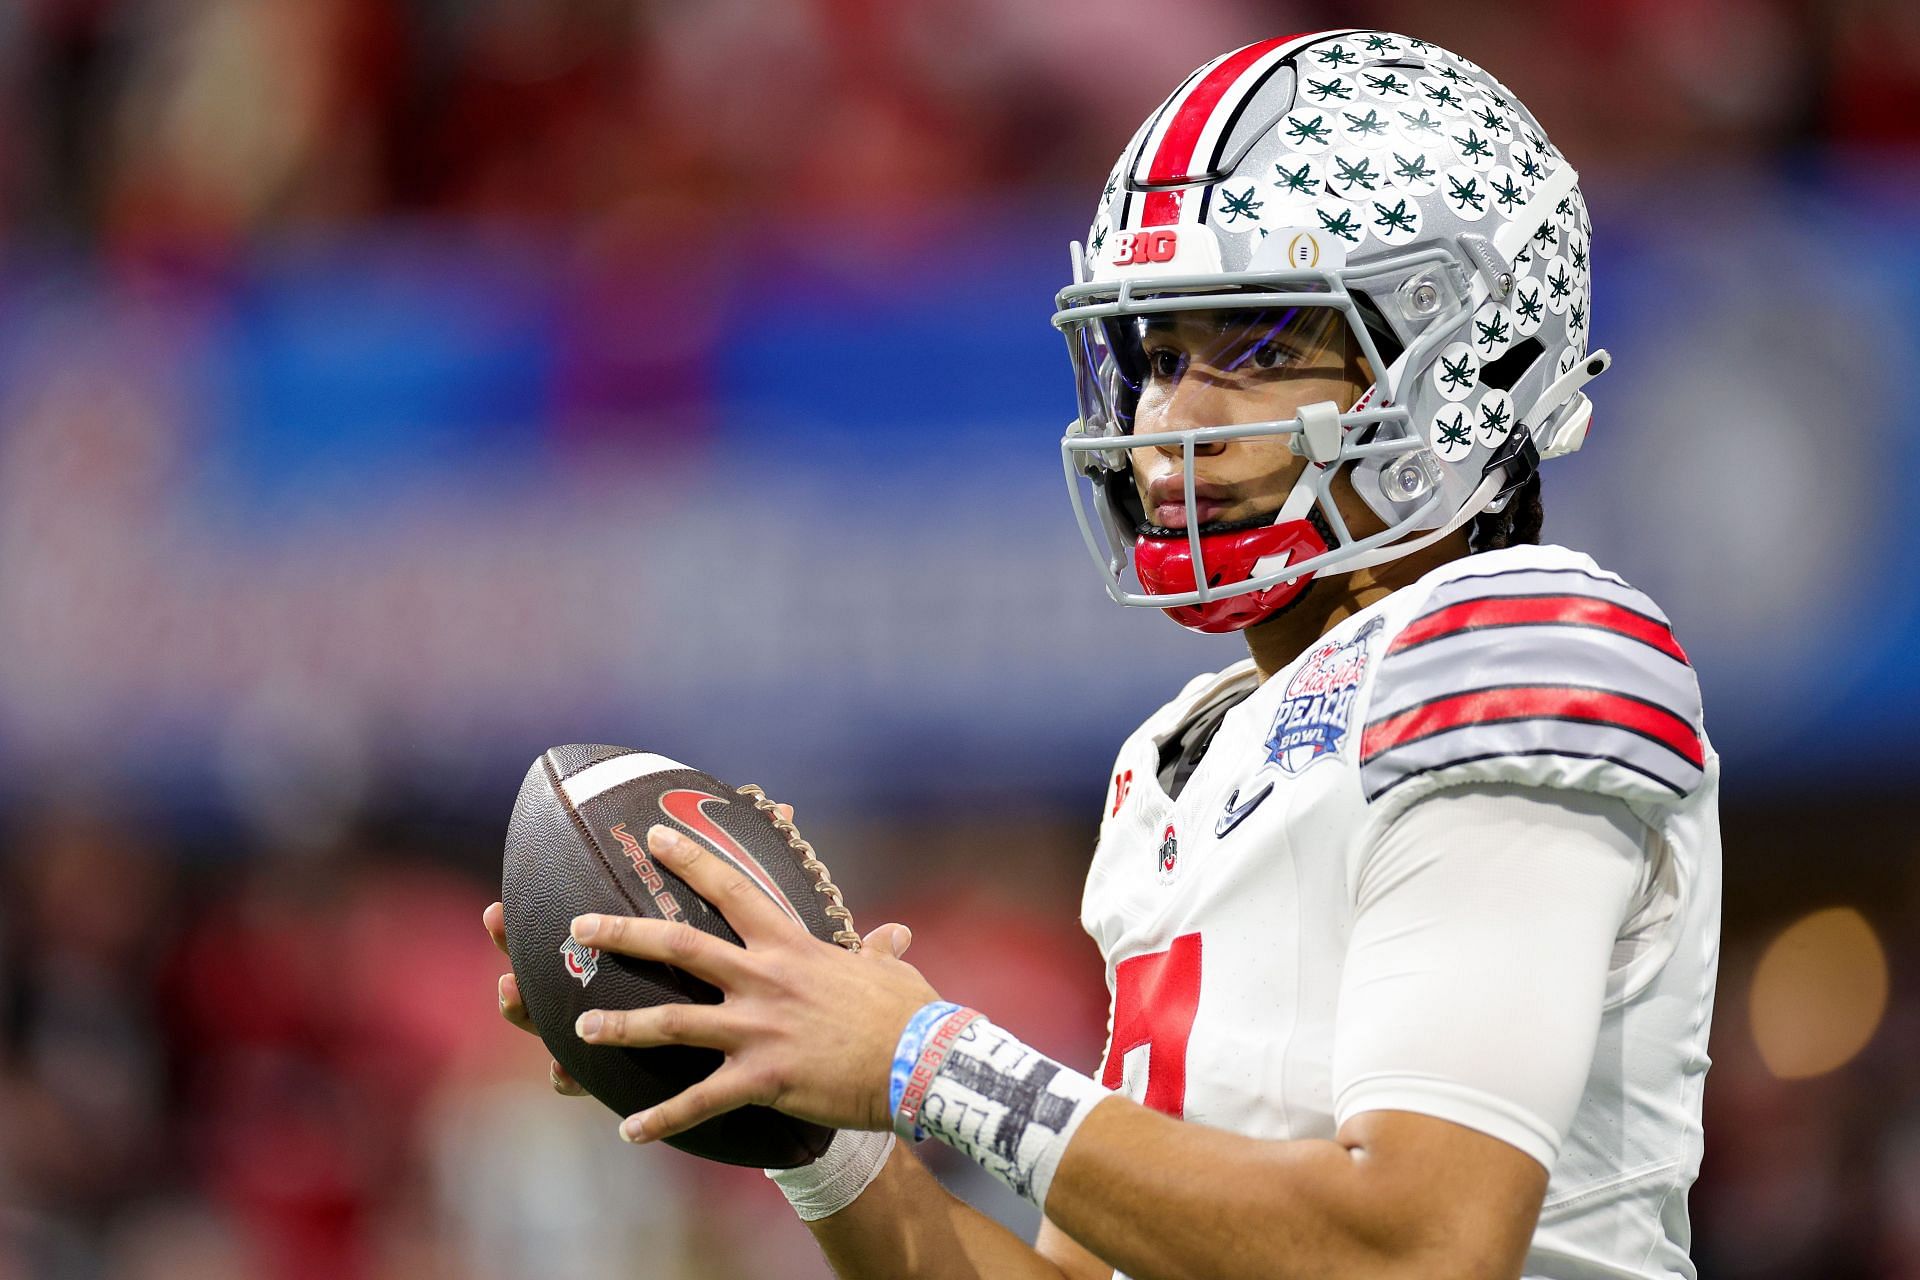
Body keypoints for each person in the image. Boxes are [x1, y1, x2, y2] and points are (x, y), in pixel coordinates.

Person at [484, 29, 1719, 1280]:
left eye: (1259, 345)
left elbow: (1419, 1247)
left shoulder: (1518, 647)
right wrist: (809, 1117)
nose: (1168, 422)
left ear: (1465, 355)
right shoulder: (1180, 759)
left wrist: (923, 1057)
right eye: (1161, 355)